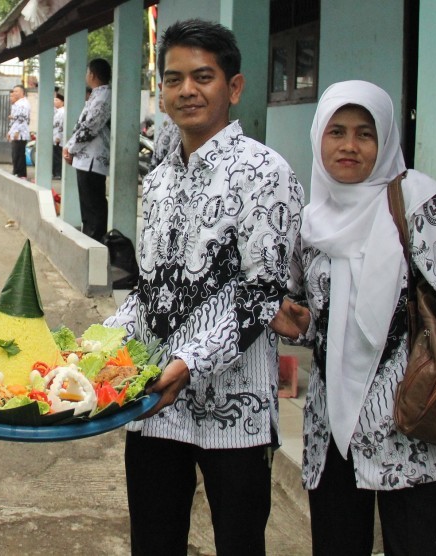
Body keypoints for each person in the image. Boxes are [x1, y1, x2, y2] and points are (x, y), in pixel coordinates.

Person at [270, 80, 436, 556]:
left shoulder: (419, 204)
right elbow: (311, 314)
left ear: (385, 141)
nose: (349, 146)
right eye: (336, 131)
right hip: (333, 430)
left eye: (365, 133)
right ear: (318, 137)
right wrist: (293, 318)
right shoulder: (311, 220)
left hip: (411, 421)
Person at [103, 19, 303, 555]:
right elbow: (151, 291)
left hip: (233, 413)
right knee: (153, 539)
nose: (186, 90)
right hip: (154, 405)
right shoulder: (161, 177)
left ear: (233, 88)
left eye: (203, 77)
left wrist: (188, 363)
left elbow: (260, 296)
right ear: (162, 92)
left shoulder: (265, 172)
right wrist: (96, 344)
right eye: (173, 79)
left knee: (239, 543)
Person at [63, 59, 112, 242]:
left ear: (92, 74)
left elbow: (90, 126)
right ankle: (89, 238)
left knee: (94, 204)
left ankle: (95, 241)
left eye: (87, 72)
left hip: (93, 157)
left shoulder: (103, 96)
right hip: (86, 157)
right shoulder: (97, 95)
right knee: (87, 203)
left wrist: (71, 147)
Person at [148, 91, 180, 173]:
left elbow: (172, 154)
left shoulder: (177, 126)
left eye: (162, 98)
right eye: (159, 98)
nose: (159, 101)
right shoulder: (165, 123)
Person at [7, 84, 31, 178]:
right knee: (15, 153)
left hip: (20, 133)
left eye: (16, 91)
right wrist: (10, 132)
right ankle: (16, 171)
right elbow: (15, 119)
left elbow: (21, 119)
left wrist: (16, 131)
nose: (14, 93)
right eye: (13, 91)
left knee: (19, 153)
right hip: (16, 131)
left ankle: (20, 173)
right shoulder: (18, 103)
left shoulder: (23, 104)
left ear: (22, 92)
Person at [52, 92, 65, 179]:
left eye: (57, 100)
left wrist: (58, 137)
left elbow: (61, 126)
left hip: (58, 138)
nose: (54, 102)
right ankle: (55, 173)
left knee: (58, 157)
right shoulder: (57, 111)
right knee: (55, 156)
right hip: (55, 136)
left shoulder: (62, 112)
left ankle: (58, 173)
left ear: (62, 102)